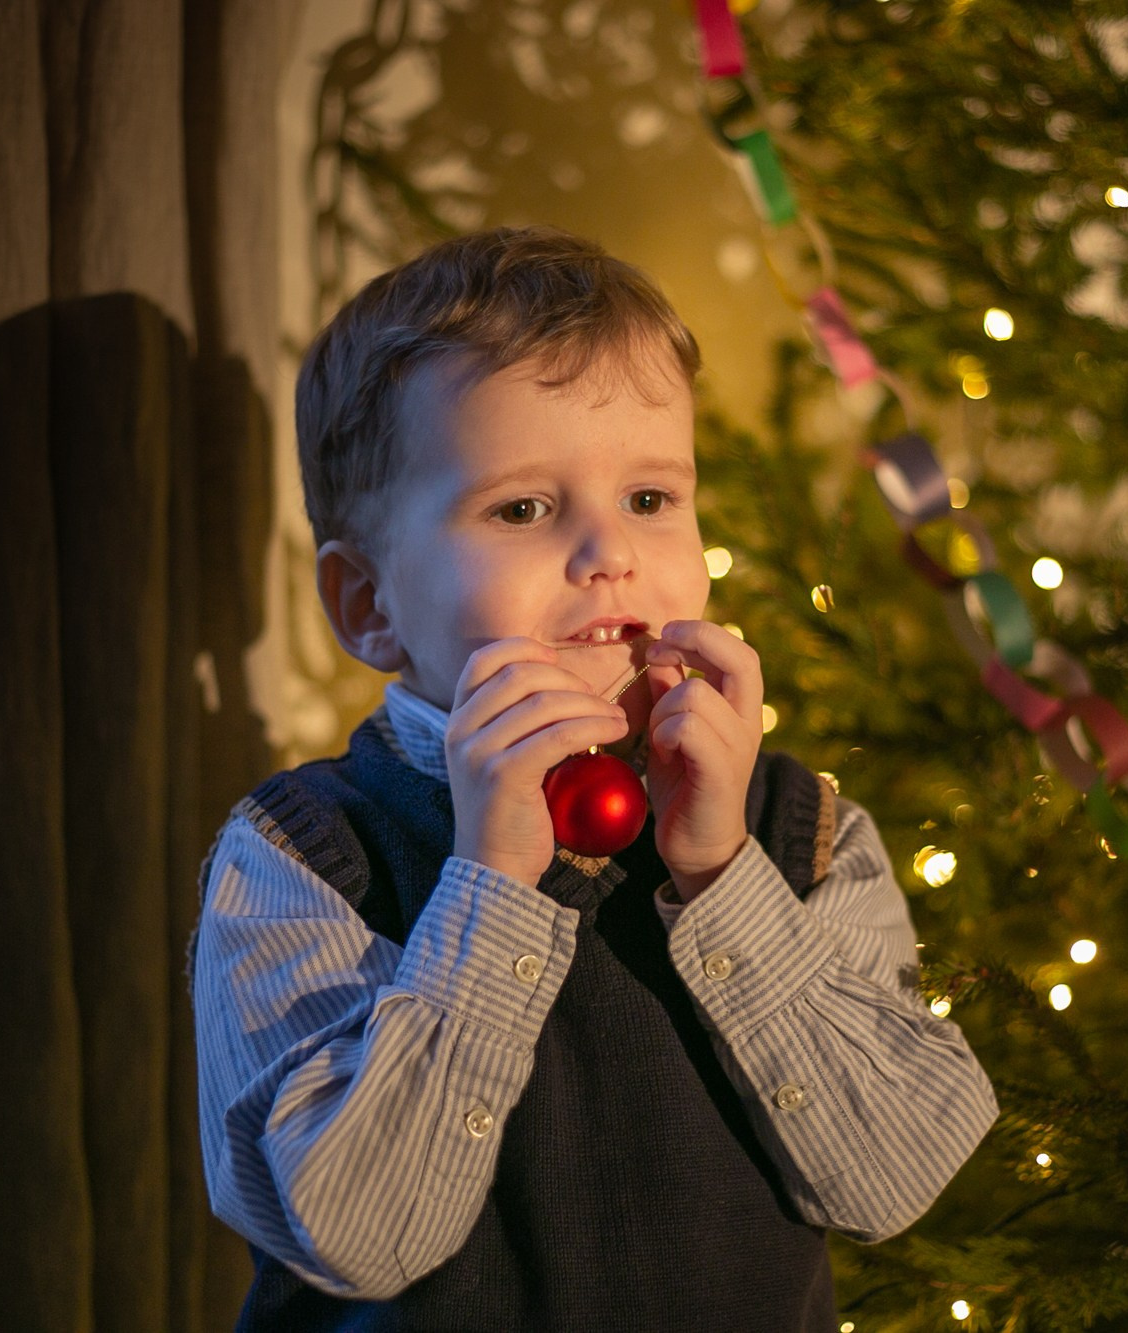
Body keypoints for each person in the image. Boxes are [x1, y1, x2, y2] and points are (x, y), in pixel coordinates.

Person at [191, 225, 998, 1330]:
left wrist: (723, 872)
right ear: (369, 604)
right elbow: (360, 1238)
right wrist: (488, 887)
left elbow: (893, 1181)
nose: (609, 554)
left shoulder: (801, 831)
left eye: (650, 499)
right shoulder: (301, 856)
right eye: (522, 509)